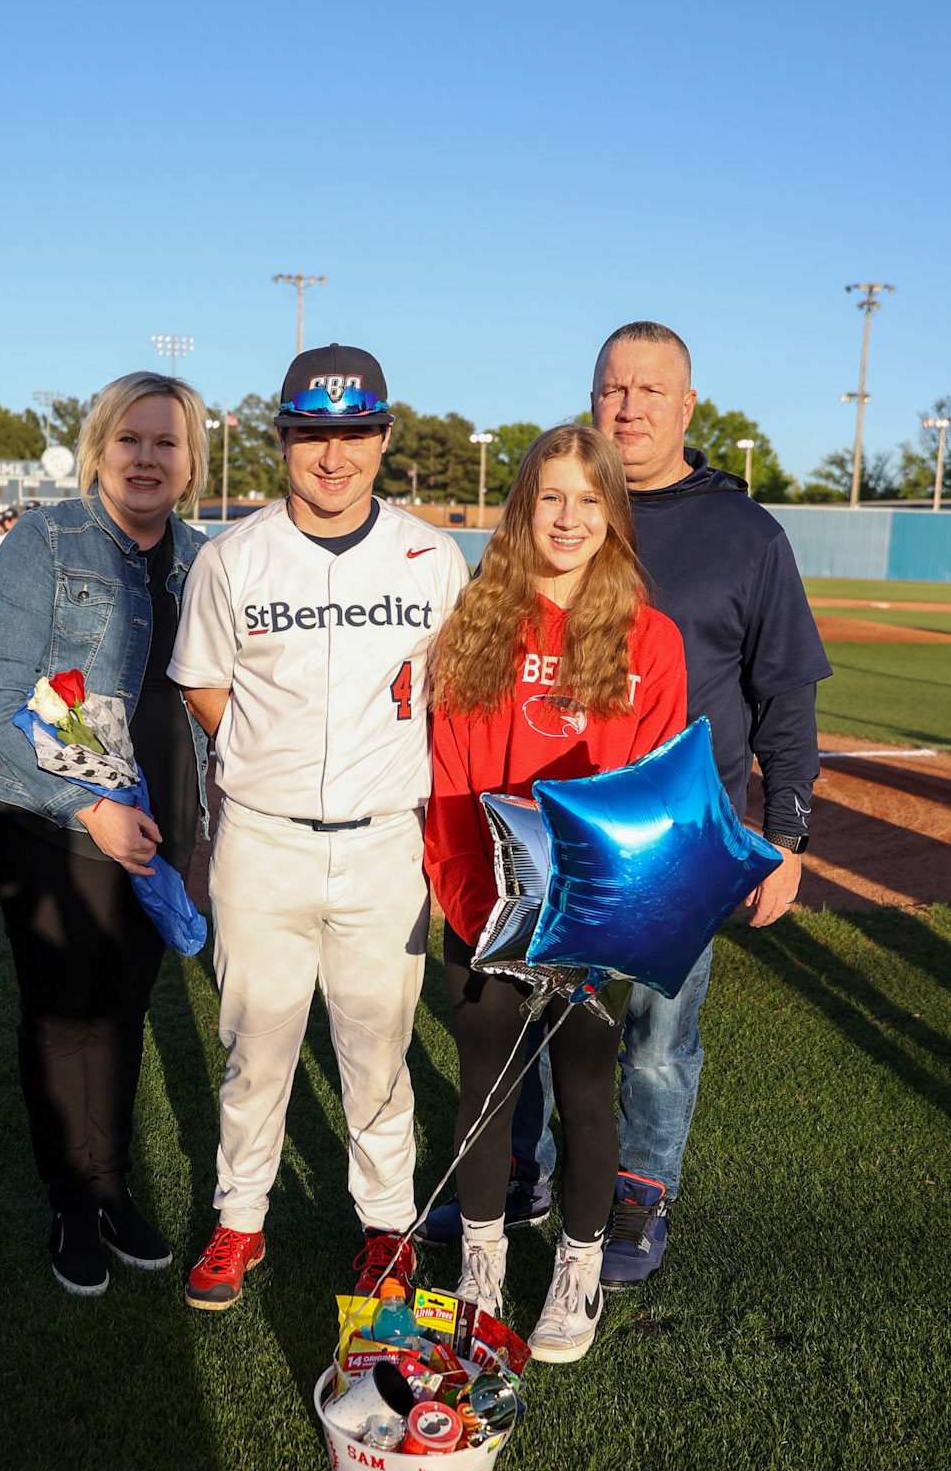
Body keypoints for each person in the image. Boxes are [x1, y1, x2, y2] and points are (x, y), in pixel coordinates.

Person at [503, 321, 830, 1287]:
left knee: (653, 1035)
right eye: (613, 388)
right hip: (548, 826)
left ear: (689, 406)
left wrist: (786, 836)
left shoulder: (746, 534)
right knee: (526, 1019)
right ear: (590, 396)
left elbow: (785, 696)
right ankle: (519, 1172)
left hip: (678, 839)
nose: (630, 406)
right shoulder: (556, 507)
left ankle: (637, 1193)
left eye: (652, 390)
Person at [170, 343, 469, 1312]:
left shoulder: (432, 555)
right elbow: (206, 686)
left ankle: (387, 1230)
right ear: (285, 439)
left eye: (352, 432)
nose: (332, 455)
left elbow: (453, 695)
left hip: (387, 837)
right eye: (311, 434)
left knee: (378, 1050)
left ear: (383, 436)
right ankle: (240, 1217)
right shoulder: (232, 556)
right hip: (264, 838)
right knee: (255, 1044)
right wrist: (275, 761)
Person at [425, 424, 686, 1362]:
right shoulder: (474, 622)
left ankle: (576, 1267)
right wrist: (472, 911)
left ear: (611, 510)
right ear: (522, 508)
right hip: (487, 907)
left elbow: (653, 787)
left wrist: (599, 917)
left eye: (588, 499)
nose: (568, 518)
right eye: (550, 498)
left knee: (583, 1085)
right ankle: (482, 1266)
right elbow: (451, 777)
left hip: (591, 914)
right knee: (485, 1087)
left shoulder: (646, 638)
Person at [0, 372, 210, 1297]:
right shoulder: (44, 540)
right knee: (60, 1018)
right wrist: (90, 809)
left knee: (120, 1016)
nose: (147, 459)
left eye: (166, 444)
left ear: (190, 463)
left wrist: (202, 819)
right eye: (129, 440)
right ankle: (70, 1199)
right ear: (99, 448)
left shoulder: (202, 558)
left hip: (161, 827)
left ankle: (110, 1189)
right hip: (56, 825)